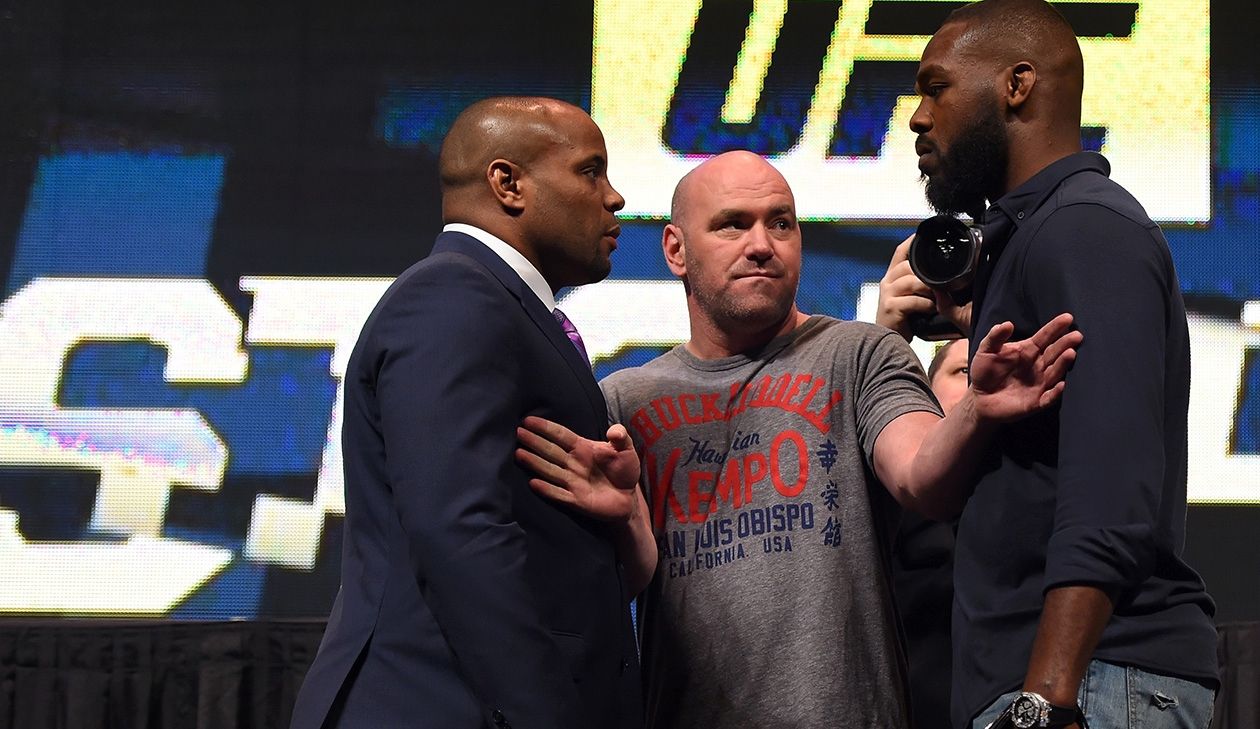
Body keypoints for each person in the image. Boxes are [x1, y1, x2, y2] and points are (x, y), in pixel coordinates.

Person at [516, 149, 1082, 728]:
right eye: (733, 224)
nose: (761, 244)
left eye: (780, 223)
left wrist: (976, 413)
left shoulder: (859, 354)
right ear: (676, 250)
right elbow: (609, 598)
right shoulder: (624, 403)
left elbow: (921, 476)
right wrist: (626, 524)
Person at [288, 96, 647, 729]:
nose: (614, 197)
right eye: (590, 171)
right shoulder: (452, 296)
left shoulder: (503, 307)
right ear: (508, 184)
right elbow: (460, 529)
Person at [910, 2, 1219, 727]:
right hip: (1066, 682)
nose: (919, 117)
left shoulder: (1084, 226)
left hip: (1091, 684)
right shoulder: (1035, 239)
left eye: (936, 88)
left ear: (1017, 85)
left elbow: (1111, 485)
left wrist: (1045, 695)